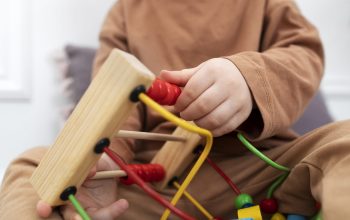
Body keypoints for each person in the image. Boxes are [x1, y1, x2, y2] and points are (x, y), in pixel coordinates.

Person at [1, 0, 349, 219]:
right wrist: (106, 162)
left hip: (259, 169)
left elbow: (303, 53)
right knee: (31, 167)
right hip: (152, 184)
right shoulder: (126, 11)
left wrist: (249, 79)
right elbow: (112, 95)